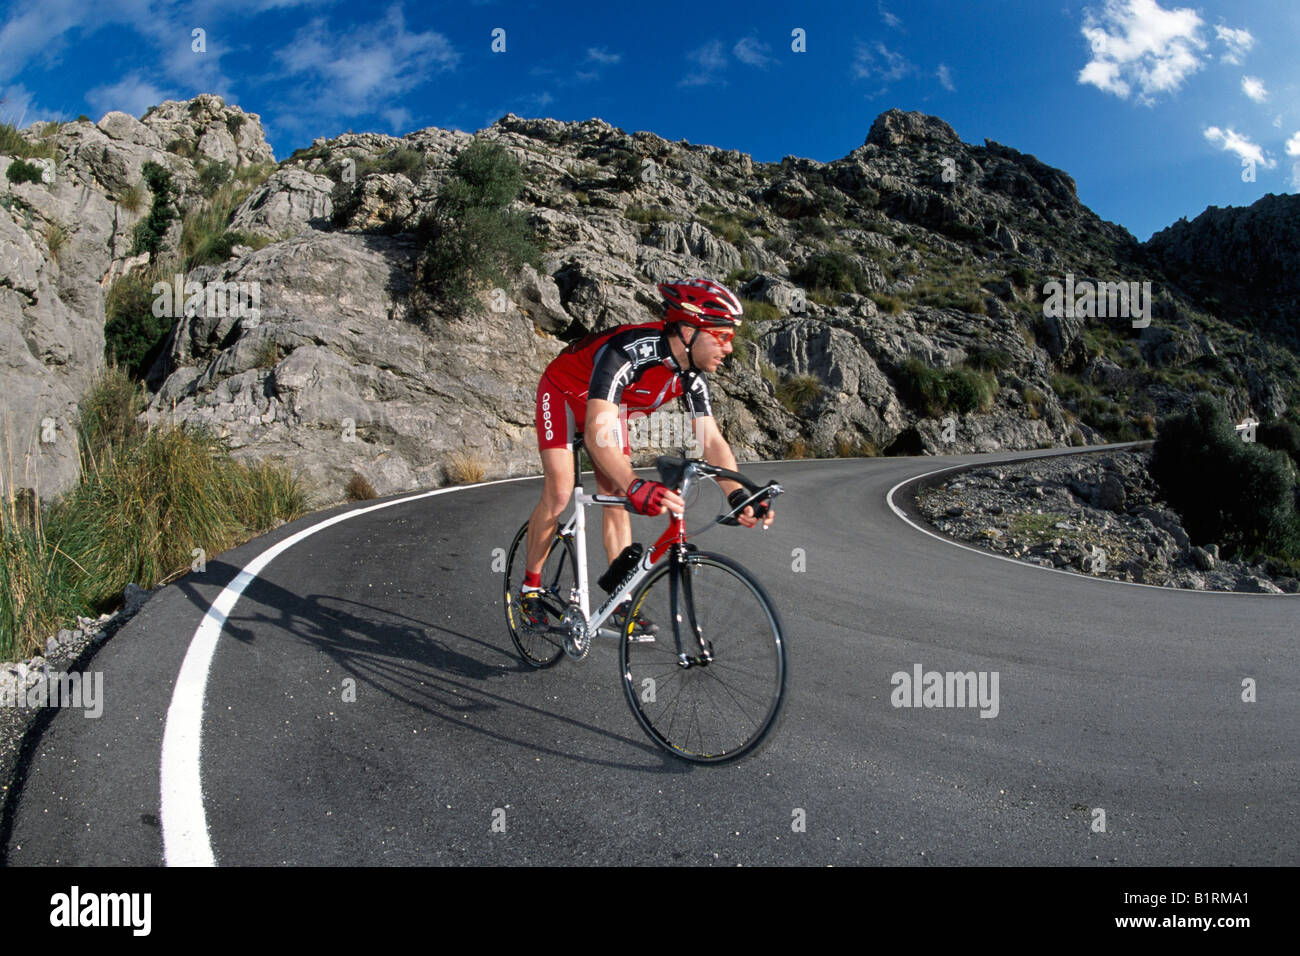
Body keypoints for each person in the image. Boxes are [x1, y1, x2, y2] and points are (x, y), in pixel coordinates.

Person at [521, 277, 775, 627]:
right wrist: (634, 484)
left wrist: (738, 495)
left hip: (608, 408)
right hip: (563, 394)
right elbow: (597, 435)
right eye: (723, 336)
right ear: (688, 330)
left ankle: (619, 599)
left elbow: (712, 441)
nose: (729, 348)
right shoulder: (629, 350)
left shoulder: (691, 377)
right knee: (561, 491)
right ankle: (529, 588)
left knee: (614, 490)